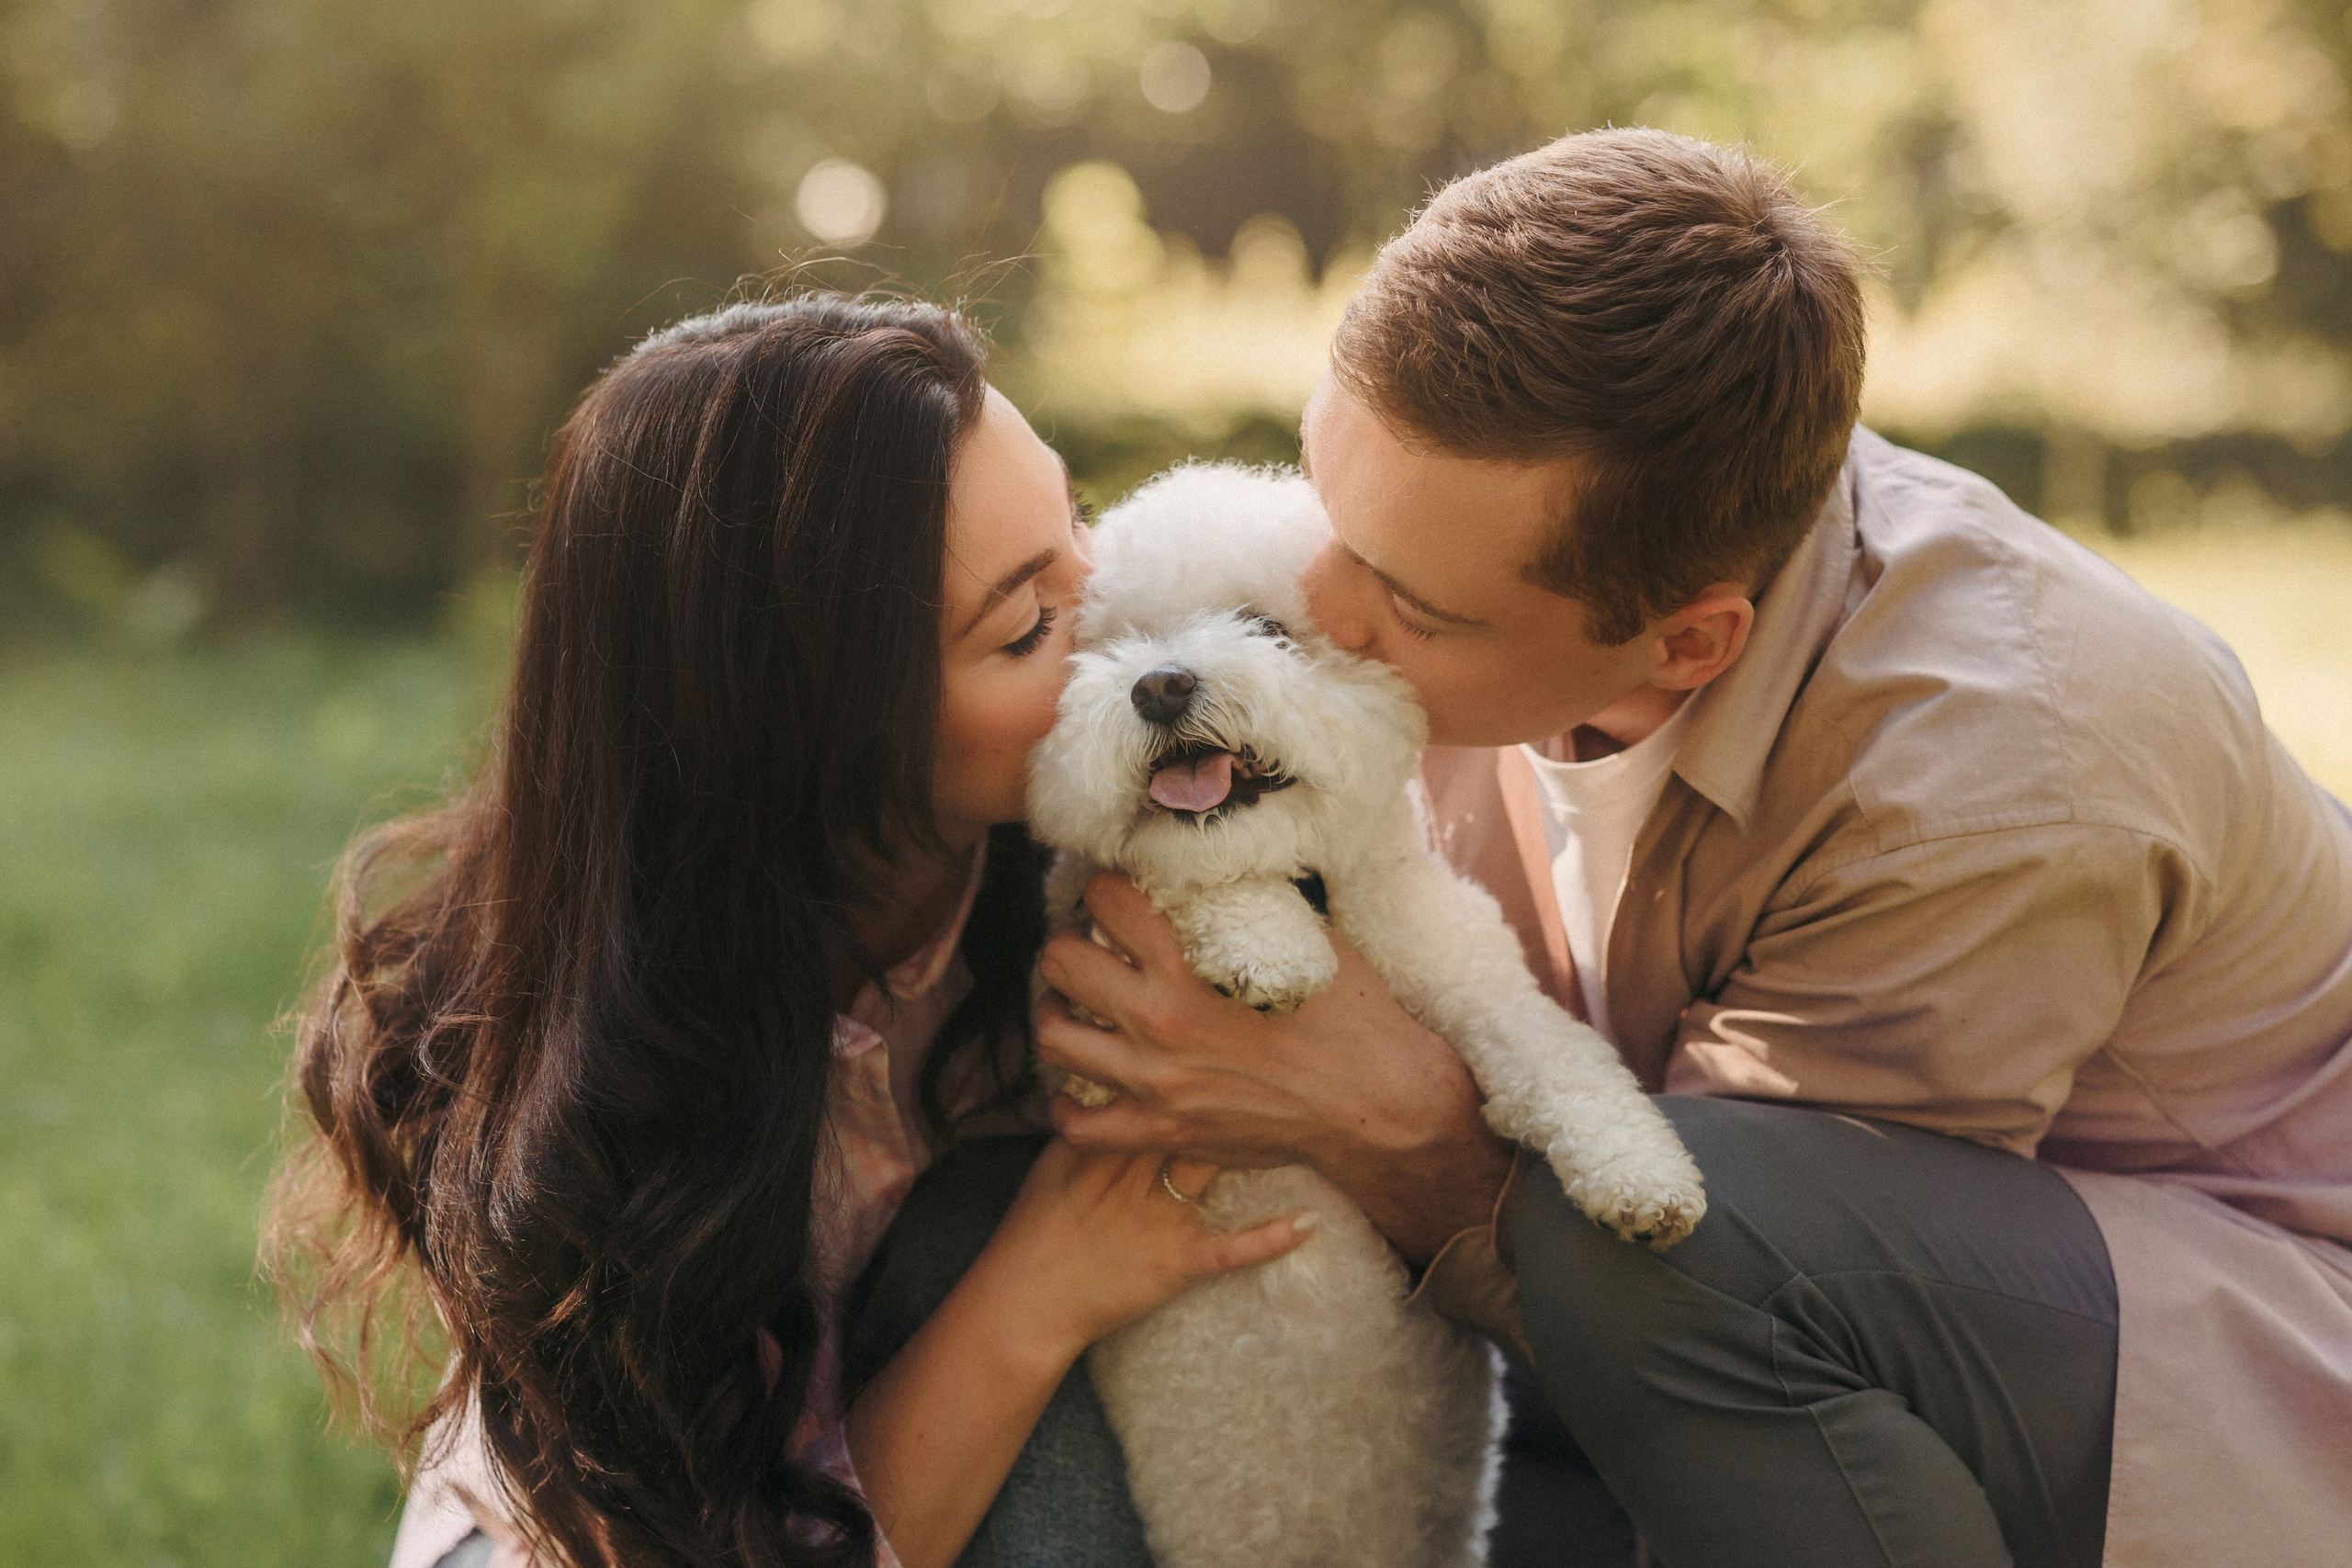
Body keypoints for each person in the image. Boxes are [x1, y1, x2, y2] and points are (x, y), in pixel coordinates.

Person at [1035, 130, 2352, 1567]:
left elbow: (1705, 1301)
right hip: (1754, 1370)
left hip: (2241, 1359)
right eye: (1323, 505)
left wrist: (1388, 1121)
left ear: (1686, 640)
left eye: (1409, 600)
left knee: (1661, 1231)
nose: (1320, 605)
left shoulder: (1993, 777)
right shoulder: (1488, 558)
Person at [265, 296, 1306, 1568]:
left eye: (1077, 532)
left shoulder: (1136, 850)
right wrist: (1042, 1283)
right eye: (1027, 627)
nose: (1112, 624)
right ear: (811, 729)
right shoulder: (575, 1050)